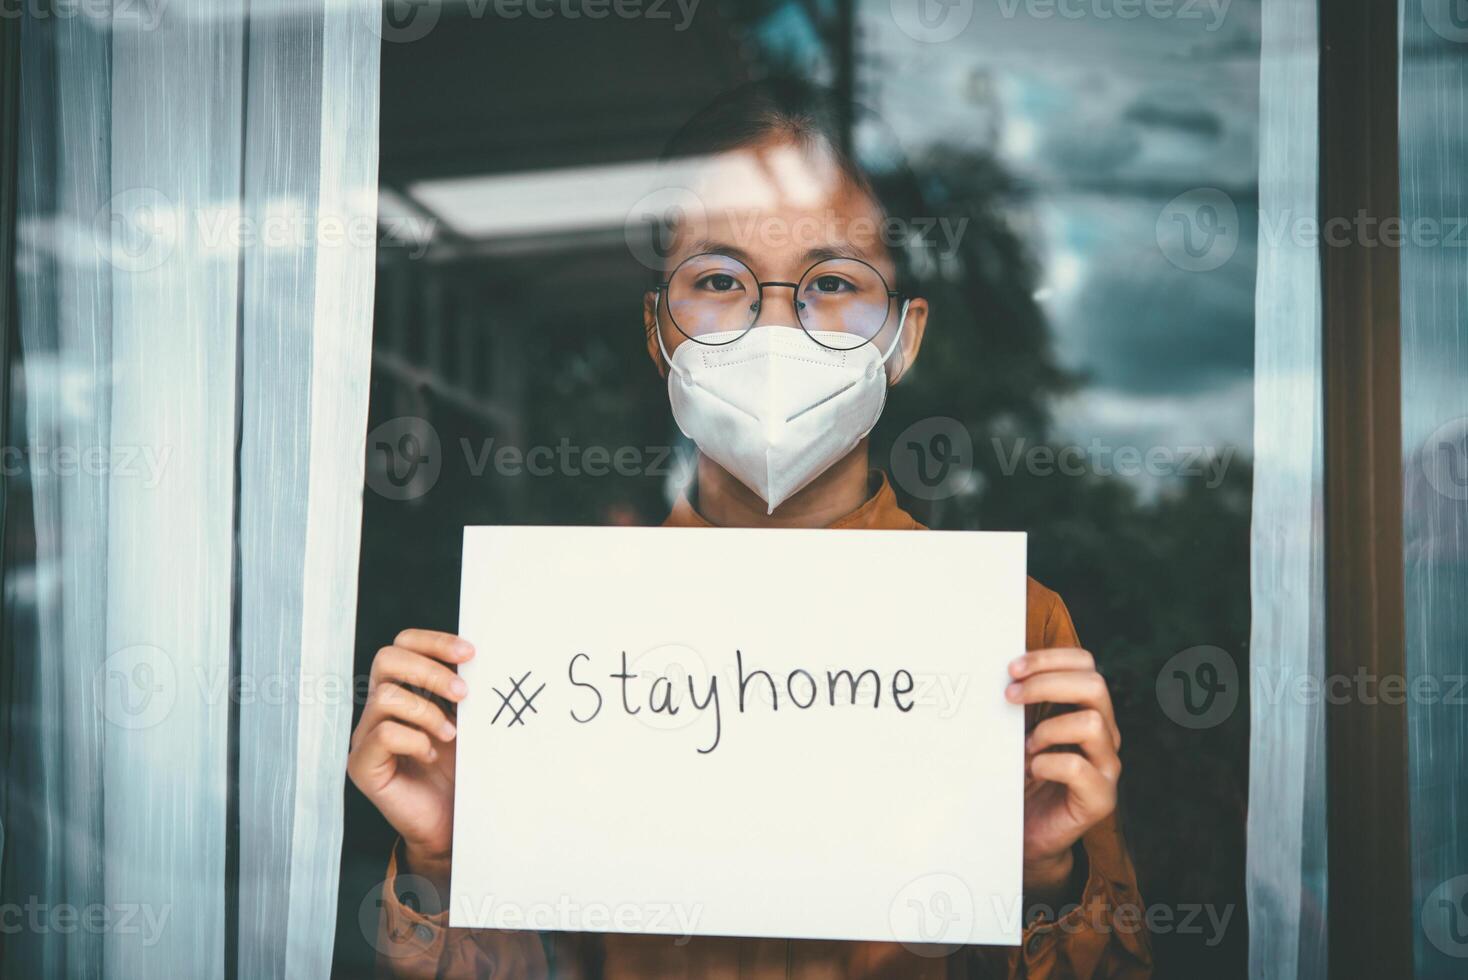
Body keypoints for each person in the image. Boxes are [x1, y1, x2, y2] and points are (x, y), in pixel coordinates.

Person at [347, 78, 1152, 979]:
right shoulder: (553, 635)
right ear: (660, 332)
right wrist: (445, 859)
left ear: (904, 336)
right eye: (720, 280)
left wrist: (1047, 876)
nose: (776, 324)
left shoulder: (1012, 638)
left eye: (835, 281)